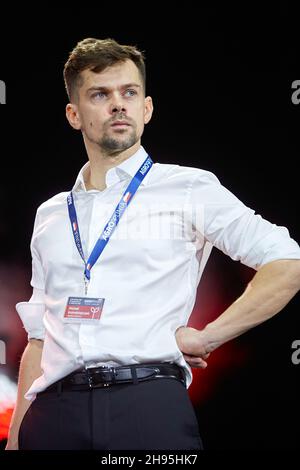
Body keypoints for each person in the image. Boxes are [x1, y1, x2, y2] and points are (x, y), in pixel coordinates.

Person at [6, 38, 300, 451]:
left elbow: (287, 260)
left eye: (129, 93)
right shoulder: (51, 214)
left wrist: (210, 336)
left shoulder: (187, 187)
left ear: (146, 108)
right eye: (100, 94)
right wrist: (17, 434)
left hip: (146, 403)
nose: (118, 104)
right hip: (52, 414)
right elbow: (39, 336)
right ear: (74, 114)